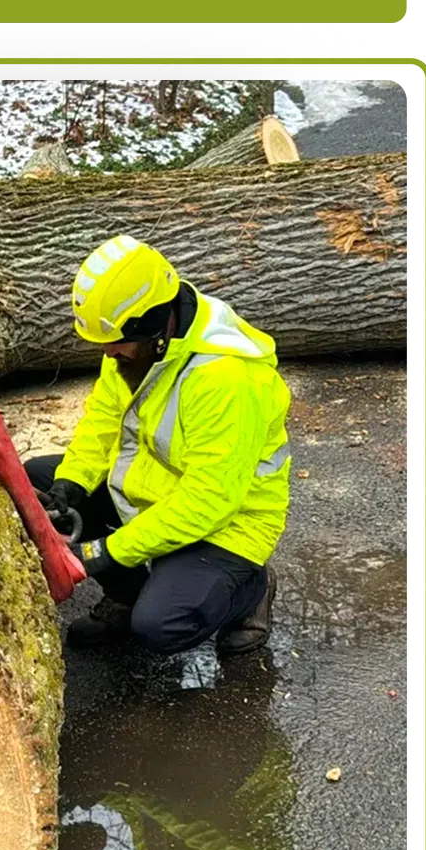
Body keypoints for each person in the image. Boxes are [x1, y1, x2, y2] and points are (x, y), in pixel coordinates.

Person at [29, 234, 289, 657]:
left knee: (161, 626)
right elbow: (103, 420)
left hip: (229, 522)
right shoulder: (135, 344)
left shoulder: (225, 378)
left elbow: (208, 499)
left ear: (154, 328)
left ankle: (250, 589)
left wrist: (104, 551)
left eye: (116, 344)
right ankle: (127, 596)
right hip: (157, 488)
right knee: (38, 477)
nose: (107, 354)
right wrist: (71, 483)